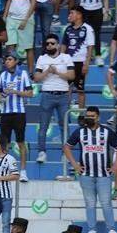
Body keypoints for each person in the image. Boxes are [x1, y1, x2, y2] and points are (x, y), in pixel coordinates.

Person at [64, 106, 117, 233]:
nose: (90, 118)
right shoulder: (80, 132)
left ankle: (111, 229)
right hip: (86, 175)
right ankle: (92, 230)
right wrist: (75, 165)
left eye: (92, 116)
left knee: (106, 202)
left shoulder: (107, 131)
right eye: (88, 116)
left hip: (104, 175)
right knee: (90, 203)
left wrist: (115, 166)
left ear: (98, 117)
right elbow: (67, 147)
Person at [35, 34, 76, 164]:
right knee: (43, 127)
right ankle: (42, 152)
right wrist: (47, 71)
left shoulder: (66, 57)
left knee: (64, 127)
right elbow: (36, 77)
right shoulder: (42, 58)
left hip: (63, 95)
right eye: (47, 44)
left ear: (58, 45)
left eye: (52, 43)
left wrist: (57, 72)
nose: (49, 46)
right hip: (47, 94)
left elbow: (72, 75)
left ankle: (65, 154)